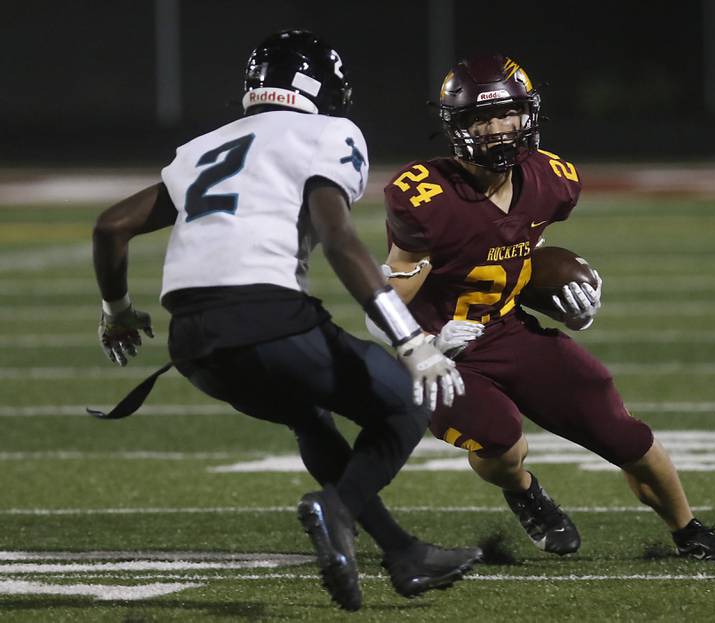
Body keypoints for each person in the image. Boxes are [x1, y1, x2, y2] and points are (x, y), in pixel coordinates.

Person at [91, 30, 481, 612]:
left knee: (309, 415)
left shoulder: (203, 145)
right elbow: (338, 237)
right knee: (408, 401)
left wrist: (117, 311)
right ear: (318, 87)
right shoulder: (329, 132)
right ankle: (339, 510)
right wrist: (410, 339)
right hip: (265, 318)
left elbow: (110, 226)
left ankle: (402, 552)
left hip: (192, 343)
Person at [367, 54, 715, 562]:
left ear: (530, 114)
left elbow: (512, 256)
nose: (499, 128)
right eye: (482, 118)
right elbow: (381, 309)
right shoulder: (425, 197)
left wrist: (570, 301)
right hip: (438, 350)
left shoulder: (552, 181)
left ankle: (689, 529)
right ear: (457, 126)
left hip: (505, 329)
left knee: (620, 429)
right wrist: (425, 346)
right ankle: (525, 491)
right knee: (500, 439)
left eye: (508, 113)